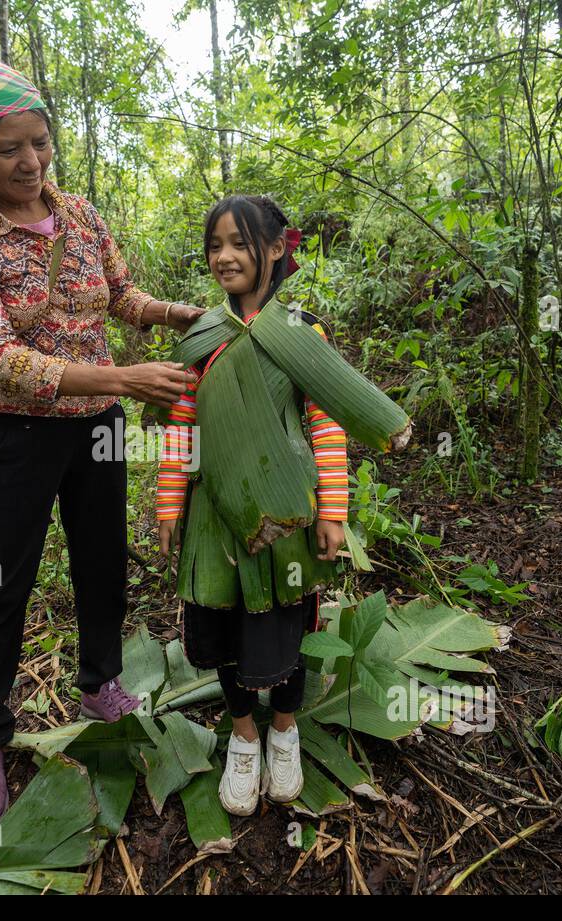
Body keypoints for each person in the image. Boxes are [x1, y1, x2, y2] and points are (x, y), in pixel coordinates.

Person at [0, 56, 205, 830]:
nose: (31, 163)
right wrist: (118, 380)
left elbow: (120, 295)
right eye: (10, 149)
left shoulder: (77, 213)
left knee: (101, 559)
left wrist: (178, 316)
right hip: (14, 438)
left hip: (97, 431)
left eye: (40, 143)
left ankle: (100, 680)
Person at [157, 195, 349, 815]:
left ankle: (285, 731)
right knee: (223, 631)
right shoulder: (203, 336)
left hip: (286, 518)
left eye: (240, 243)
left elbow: (326, 423)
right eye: (216, 245)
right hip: (215, 520)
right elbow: (181, 429)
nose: (225, 257)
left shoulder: (300, 332)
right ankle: (244, 738)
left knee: (282, 628)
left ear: (275, 250)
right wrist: (168, 509)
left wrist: (333, 511)